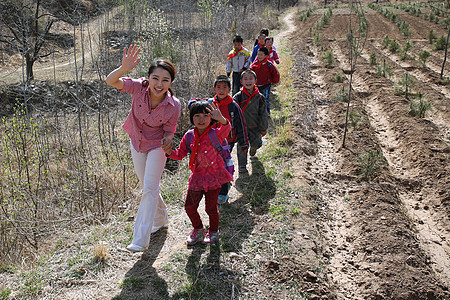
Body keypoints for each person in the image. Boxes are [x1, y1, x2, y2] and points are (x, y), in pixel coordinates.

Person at [105, 45, 181, 252]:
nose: (159, 84)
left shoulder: (173, 105)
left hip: (157, 146)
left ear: (171, 83)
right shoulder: (138, 87)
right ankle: (161, 217)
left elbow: (169, 130)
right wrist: (123, 68)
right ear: (148, 78)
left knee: (149, 188)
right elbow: (110, 81)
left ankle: (140, 239)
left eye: (165, 80)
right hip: (137, 142)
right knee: (147, 184)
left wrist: (167, 140)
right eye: (156, 78)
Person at [163, 101, 232, 244]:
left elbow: (227, 128)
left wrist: (221, 118)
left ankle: (213, 231)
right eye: (197, 115)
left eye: (205, 115)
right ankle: (198, 228)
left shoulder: (215, 134)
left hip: (214, 177)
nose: (201, 119)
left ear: (211, 117)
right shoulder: (189, 136)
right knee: (189, 207)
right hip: (197, 178)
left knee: (211, 208)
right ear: (192, 118)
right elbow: (180, 154)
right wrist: (168, 151)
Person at [210, 75, 248, 204]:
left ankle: (222, 193)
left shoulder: (233, 106)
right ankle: (217, 187)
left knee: (222, 165)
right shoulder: (210, 104)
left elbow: (241, 125)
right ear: (214, 88)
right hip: (212, 142)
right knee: (214, 166)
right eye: (219, 87)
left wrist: (243, 144)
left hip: (228, 142)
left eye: (224, 87)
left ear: (230, 89)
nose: (221, 90)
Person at [233, 69, 269, 171]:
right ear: (241, 82)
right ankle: (242, 166)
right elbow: (232, 112)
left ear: (255, 80)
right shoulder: (238, 97)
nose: (248, 81)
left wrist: (263, 127)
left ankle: (253, 149)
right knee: (242, 146)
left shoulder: (260, 97)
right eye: (245, 79)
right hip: (242, 127)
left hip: (255, 127)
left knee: (256, 143)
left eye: (250, 78)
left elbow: (263, 114)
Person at [250, 47, 280, 115]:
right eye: (258, 54)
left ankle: (267, 113)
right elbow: (251, 71)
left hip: (266, 84)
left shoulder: (269, 64)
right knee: (256, 99)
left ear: (266, 56)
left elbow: (276, 73)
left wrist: (275, 81)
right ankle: (257, 113)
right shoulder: (255, 64)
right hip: (257, 85)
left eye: (261, 55)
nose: (259, 56)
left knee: (265, 99)